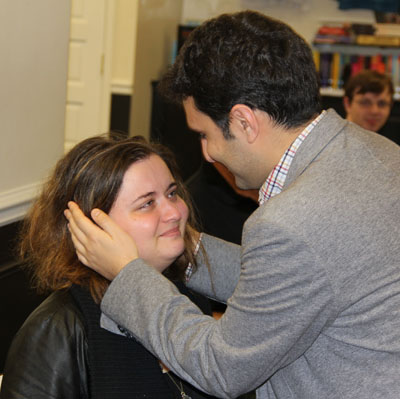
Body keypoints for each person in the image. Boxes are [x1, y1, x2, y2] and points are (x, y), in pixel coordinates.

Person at [65, 11, 400, 399]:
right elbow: (295, 283)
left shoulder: (291, 222)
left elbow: (220, 367)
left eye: (204, 134)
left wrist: (127, 273)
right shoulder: (377, 152)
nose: (206, 154)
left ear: (243, 121)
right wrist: (178, 242)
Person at [0, 134, 218, 399]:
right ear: (91, 229)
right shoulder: (57, 330)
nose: (175, 212)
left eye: (172, 193)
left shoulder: (187, 296)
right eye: (147, 203)